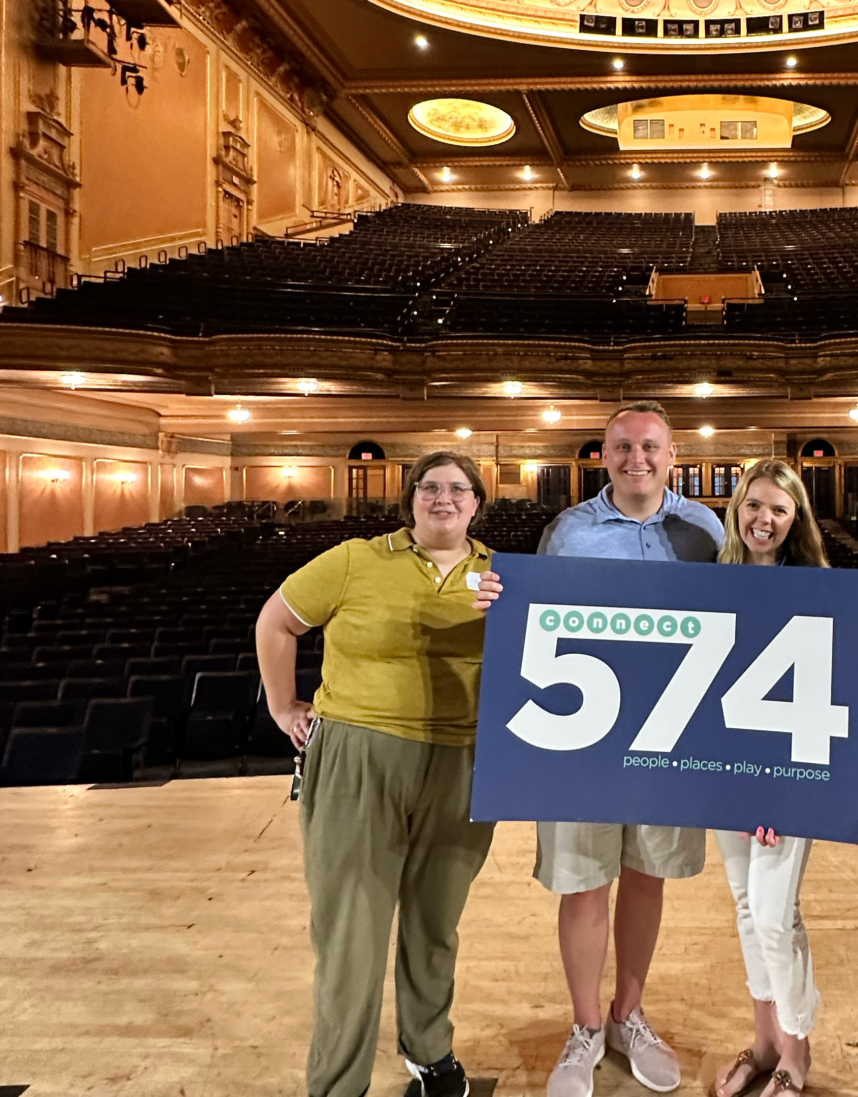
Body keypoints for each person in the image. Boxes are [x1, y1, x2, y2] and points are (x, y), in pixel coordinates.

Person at [474, 400, 723, 1097]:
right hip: (581, 741)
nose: (635, 458)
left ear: (673, 455)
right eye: (621, 446)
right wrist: (498, 596)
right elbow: (532, 626)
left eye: (649, 446)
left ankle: (628, 1014)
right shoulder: (567, 530)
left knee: (648, 876)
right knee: (584, 883)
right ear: (602, 455)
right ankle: (585, 1026)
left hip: (672, 735)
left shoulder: (706, 529)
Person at [256, 452, 496, 1097]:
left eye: (458, 489)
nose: (443, 499)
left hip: (463, 762)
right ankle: (339, 1082)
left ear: (477, 502)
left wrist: (515, 615)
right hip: (361, 753)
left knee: (435, 921)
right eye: (430, 487)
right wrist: (284, 706)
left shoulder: (503, 576)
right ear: (410, 497)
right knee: (352, 929)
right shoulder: (356, 559)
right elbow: (276, 622)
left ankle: (430, 1051)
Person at [709, 459, 829, 1097]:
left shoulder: (816, 585)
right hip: (726, 773)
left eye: (779, 509)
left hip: (785, 777)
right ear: (738, 508)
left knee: (777, 917)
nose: (765, 519)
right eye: (755, 505)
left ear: (796, 519)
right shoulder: (714, 578)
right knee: (748, 908)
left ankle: (796, 1049)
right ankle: (762, 1044)